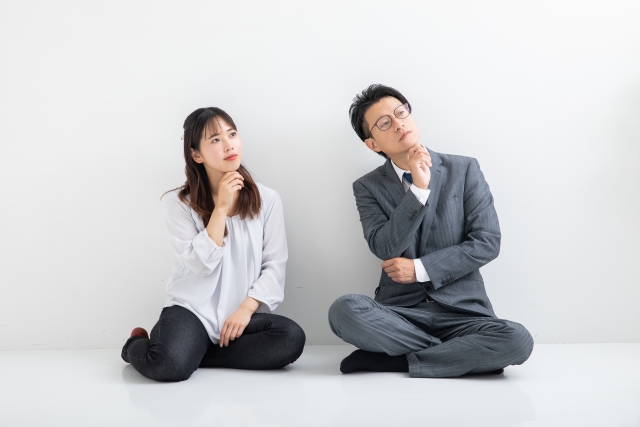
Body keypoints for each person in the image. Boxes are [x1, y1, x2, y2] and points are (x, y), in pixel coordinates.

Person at [328, 84, 533, 378]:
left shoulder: (464, 169)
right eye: (385, 123)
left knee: (518, 339)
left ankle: (399, 360)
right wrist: (419, 191)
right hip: (400, 314)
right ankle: (459, 356)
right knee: (344, 310)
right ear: (373, 144)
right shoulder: (367, 187)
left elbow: (486, 242)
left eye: (401, 113)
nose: (398, 123)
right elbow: (384, 247)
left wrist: (420, 269)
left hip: (464, 313)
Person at [121, 107, 305, 381]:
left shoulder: (268, 199)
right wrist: (220, 208)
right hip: (193, 311)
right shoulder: (179, 204)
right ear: (196, 155)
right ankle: (135, 345)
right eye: (215, 139)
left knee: (290, 338)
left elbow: (275, 265)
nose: (229, 145)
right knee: (167, 367)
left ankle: (192, 354)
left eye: (232, 134)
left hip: (240, 315)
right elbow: (201, 265)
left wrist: (245, 310)